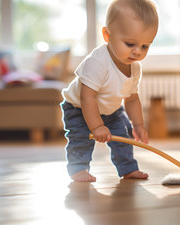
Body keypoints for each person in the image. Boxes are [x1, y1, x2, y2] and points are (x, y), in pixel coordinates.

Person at [61, 0, 159, 182]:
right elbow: (87, 96)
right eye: (130, 43)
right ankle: (78, 168)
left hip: (111, 110)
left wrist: (138, 124)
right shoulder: (98, 63)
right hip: (79, 108)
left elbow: (131, 98)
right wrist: (97, 126)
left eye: (145, 45)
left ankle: (128, 168)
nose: (138, 52)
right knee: (81, 138)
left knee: (122, 136)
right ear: (107, 35)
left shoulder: (135, 67)